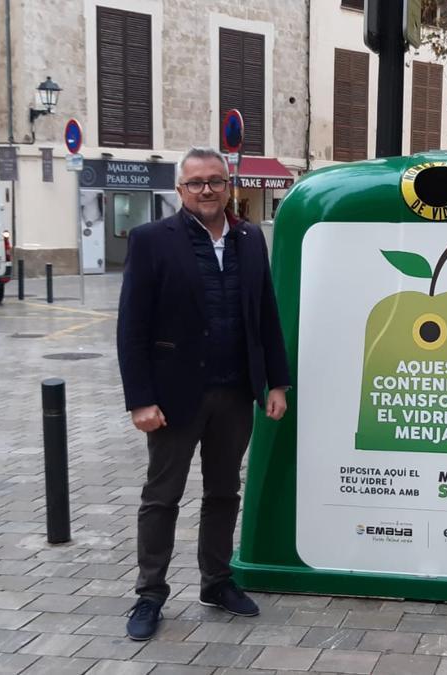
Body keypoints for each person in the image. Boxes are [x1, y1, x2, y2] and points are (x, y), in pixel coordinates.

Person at [117, 147, 291, 641]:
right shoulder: (153, 240)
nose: (207, 190)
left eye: (215, 180)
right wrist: (140, 400)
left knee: (223, 493)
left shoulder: (249, 238)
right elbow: (132, 327)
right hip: (173, 398)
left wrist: (275, 382)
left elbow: (265, 316)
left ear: (228, 184)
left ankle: (216, 582)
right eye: (195, 183)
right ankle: (150, 593)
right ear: (181, 190)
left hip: (235, 392)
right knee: (162, 498)